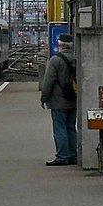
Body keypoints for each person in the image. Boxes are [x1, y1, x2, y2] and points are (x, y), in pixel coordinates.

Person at [39, 32, 77, 166]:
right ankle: (73, 155)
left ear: (60, 44)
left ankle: (62, 156)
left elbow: (48, 81)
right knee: (71, 128)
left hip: (58, 101)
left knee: (60, 128)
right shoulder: (76, 58)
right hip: (73, 99)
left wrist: (44, 98)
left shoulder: (55, 60)